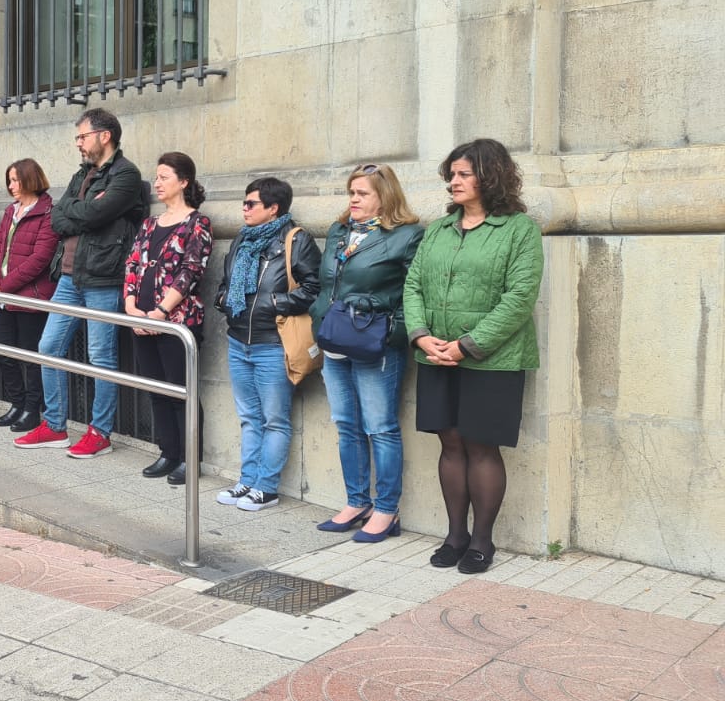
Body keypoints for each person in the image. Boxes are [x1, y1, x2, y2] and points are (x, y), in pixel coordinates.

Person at [405, 139, 542, 574]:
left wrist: (467, 345)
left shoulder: (520, 229)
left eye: (463, 174)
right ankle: (455, 535)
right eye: (452, 174)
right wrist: (421, 337)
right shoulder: (438, 230)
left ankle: (482, 541)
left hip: (492, 359)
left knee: (482, 447)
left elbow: (519, 298)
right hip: (435, 354)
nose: (454, 181)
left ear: (491, 176)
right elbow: (414, 287)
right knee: (451, 444)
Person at [15, 108, 147, 458]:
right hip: (69, 277)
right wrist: (83, 209)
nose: (78, 143)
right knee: (49, 346)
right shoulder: (82, 174)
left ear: (105, 136)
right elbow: (57, 218)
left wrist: (82, 210)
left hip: (104, 278)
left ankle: (100, 432)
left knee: (101, 356)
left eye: (82, 136)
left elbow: (93, 214)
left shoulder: (126, 175)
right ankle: (55, 426)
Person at [309, 165, 425, 542]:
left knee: (380, 427)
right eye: (351, 193)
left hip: (376, 344)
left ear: (385, 196)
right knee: (347, 424)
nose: (353, 200)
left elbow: (414, 292)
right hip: (334, 340)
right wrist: (317, 316)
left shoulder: (407, 236)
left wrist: (398, 332)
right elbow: (326, 283)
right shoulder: (341, 232)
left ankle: (387, 510)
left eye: (362, 194)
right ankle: (356, 501)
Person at [213, 177, 322, 511]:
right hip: (238, 341)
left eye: (251, 204)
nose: (244, 210)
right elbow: (226, 281)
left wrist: (275, 303)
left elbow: (314, 287)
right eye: (244, 203)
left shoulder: (296, 239)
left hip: (273, 343)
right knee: (249, 417)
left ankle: (266, 487)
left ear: (273, 208)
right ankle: (246, 481)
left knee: (275, 419)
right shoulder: (242, 240)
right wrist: (223, 298)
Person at [123, 153, 214, 486]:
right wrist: (131, 308)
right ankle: (168, 452)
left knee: (181, 391)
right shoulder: (149, 223)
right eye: (156, 177)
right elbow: (132, 265)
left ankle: (190, 458)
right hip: (141, 319)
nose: (157, 183)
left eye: (164, 177)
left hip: (177, 322)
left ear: (184, 181)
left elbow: (191, 271)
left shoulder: (197, 223)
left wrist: (161, 312)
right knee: (156, 390)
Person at [0, 159, 58, 432]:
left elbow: (40, 258)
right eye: (9, 180)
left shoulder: (47, 212)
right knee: (5, 354)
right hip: (2, 295)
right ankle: (16, 403)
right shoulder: (10, 212)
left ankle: (31, 409)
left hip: (29, 298)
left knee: (30, 357)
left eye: (16, 180)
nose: (11, 186)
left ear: (30, 179)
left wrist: (5, 285)